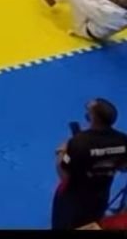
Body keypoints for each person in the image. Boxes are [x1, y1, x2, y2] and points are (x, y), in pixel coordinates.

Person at [50, 98, 127, 229]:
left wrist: (61, 152)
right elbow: (123, 167)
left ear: (93, 118)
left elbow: (64, 173)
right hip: (100, 196)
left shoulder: (78, 143)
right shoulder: (123, 140)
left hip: (73, 200)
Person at [40, 0, 127, 42]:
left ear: (117, 3)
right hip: (97, 24)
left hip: (84, 29)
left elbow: (85, 4)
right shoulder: (121, 9)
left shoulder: (109, 12)